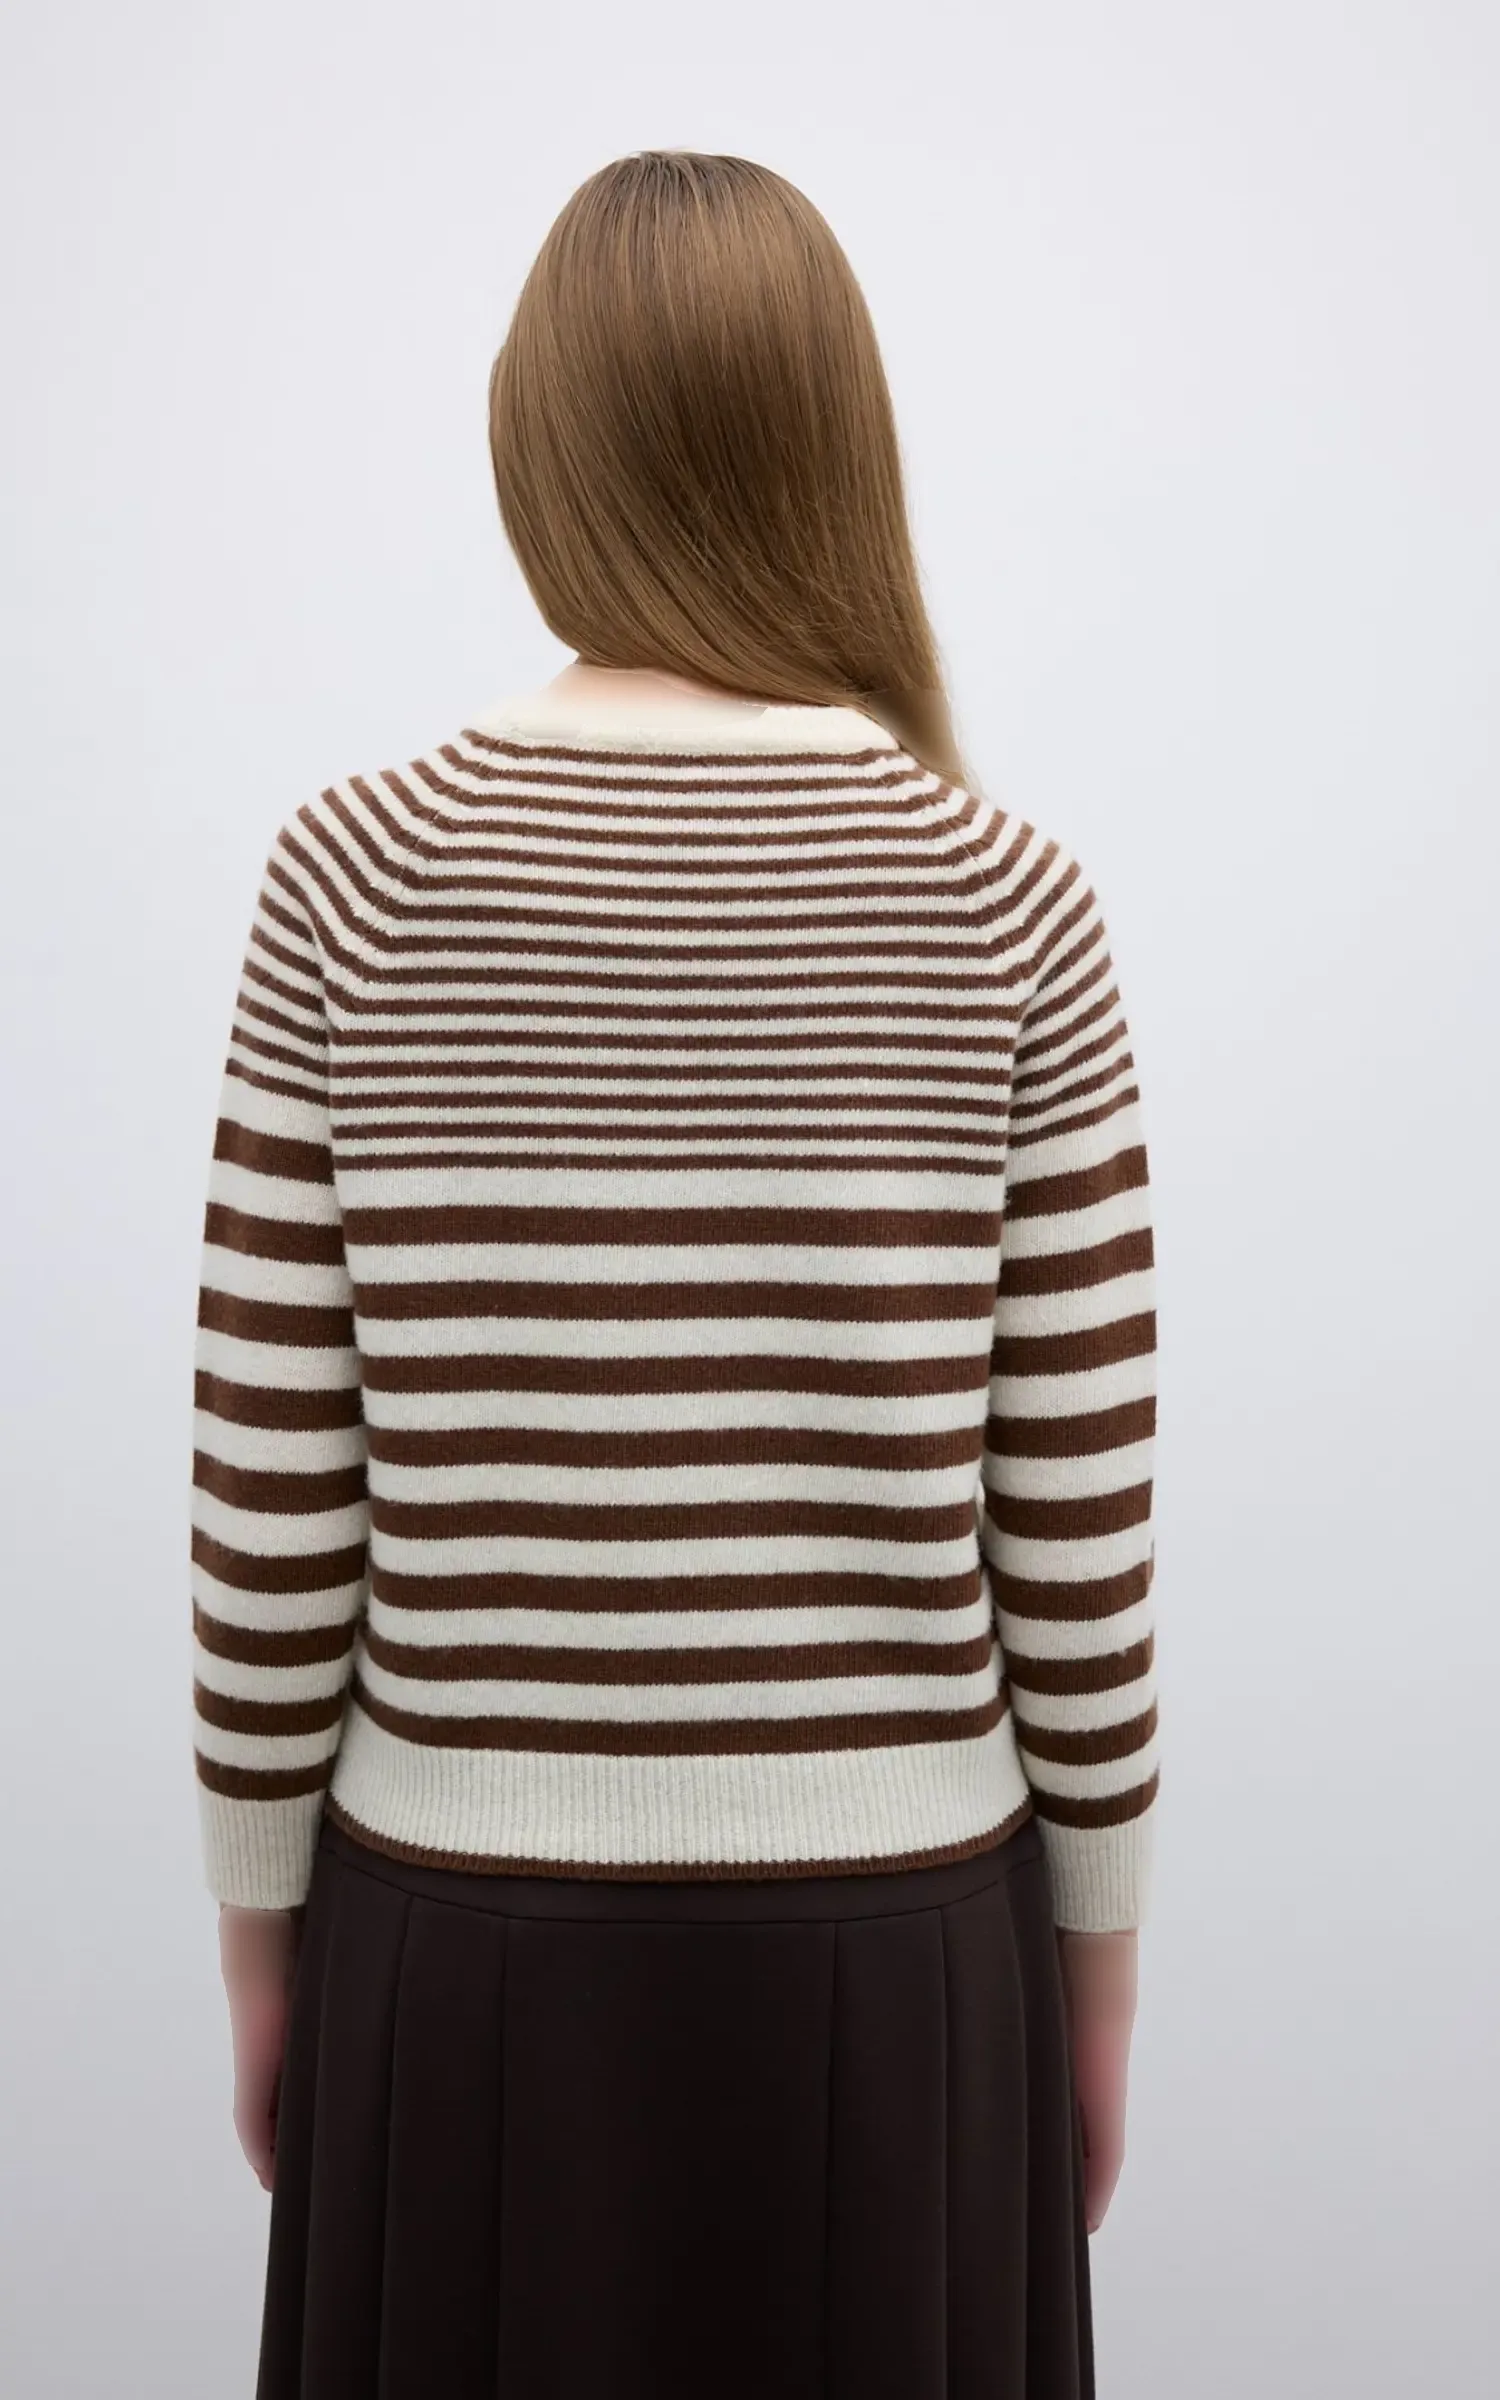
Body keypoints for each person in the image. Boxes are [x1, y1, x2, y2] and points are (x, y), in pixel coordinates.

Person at [195, 149, 1158, 2399]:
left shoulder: (355, 875)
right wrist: (1096, 1985)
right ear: (839, 446)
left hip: (453, 1940)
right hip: (907, 1957)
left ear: (537, 443)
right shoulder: (1006, 895)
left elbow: (274, 1501)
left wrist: (263, 1949)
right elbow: (1078, 1535)